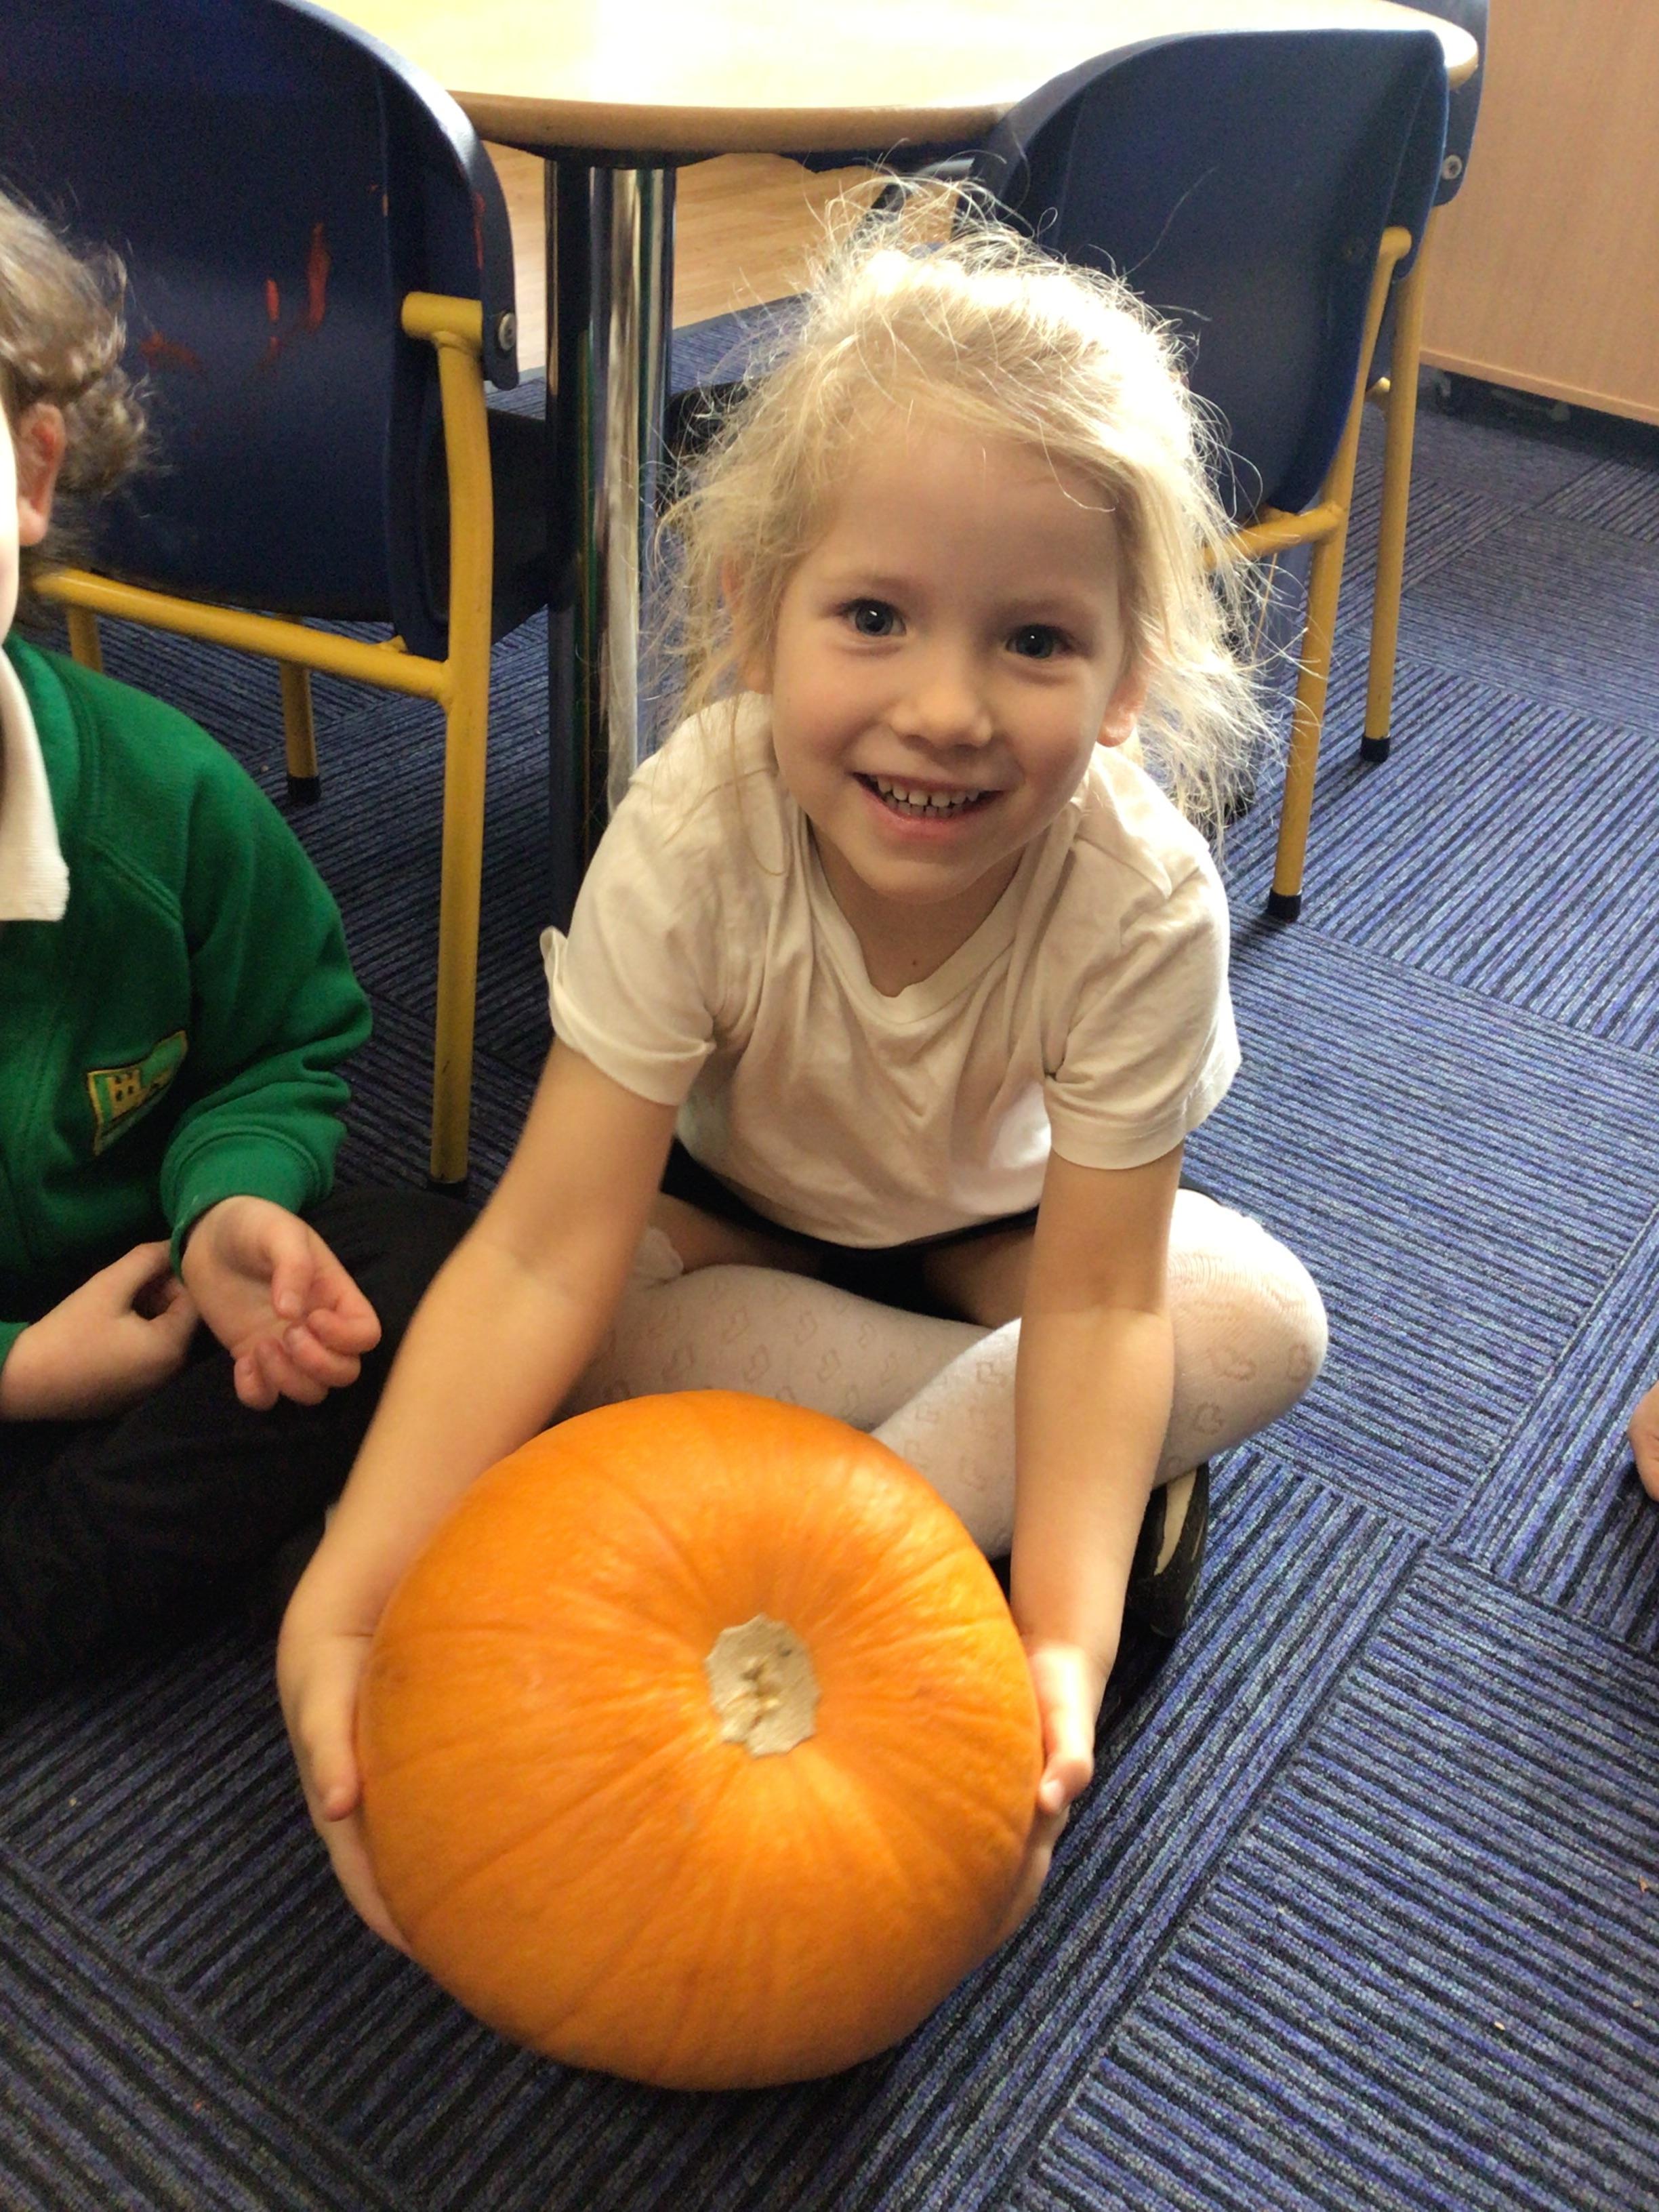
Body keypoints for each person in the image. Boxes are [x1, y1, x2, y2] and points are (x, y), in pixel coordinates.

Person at [280, 194, 1328, 1947]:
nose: (948, 709)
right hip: (735, 1220)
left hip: (1002, 1236)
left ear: (1128, 678)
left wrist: (1059, 1649)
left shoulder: (1142, 897)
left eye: (1036, 640)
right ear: (758, 618)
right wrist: (344, 1597)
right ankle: (995, 1473)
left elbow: (1096, 1301)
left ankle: (844, 1544)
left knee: (1258, 1321)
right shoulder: (699, 823)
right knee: (564, 1328)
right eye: (875, 616)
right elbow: (540, 1252)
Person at [0, 191, 469, 1699]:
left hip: (148, 1301)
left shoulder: (170, 801)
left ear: (30, 473)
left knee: (424, 1273)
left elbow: (283, 1048)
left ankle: (107, 1555)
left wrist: (230, 1211)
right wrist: (19, 1369)